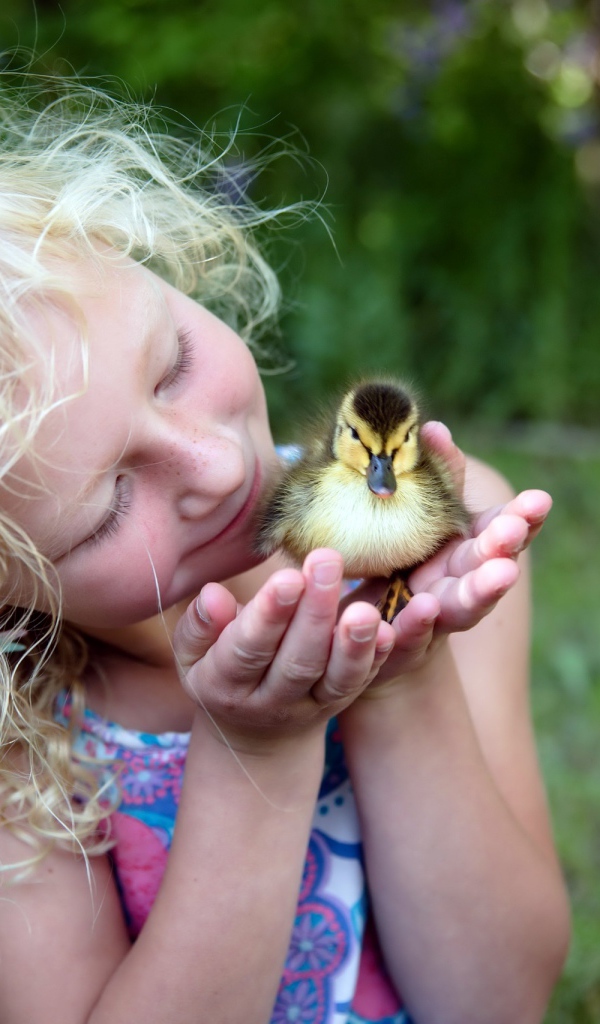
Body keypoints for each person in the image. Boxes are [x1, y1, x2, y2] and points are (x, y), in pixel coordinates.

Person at [0, 68, 569, 1024]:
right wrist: (255, 752)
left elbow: (499, 999)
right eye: (106, 507)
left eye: (172, 364)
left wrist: (398, 670)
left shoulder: (439, 536)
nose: (215, 466)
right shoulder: (24, 744)